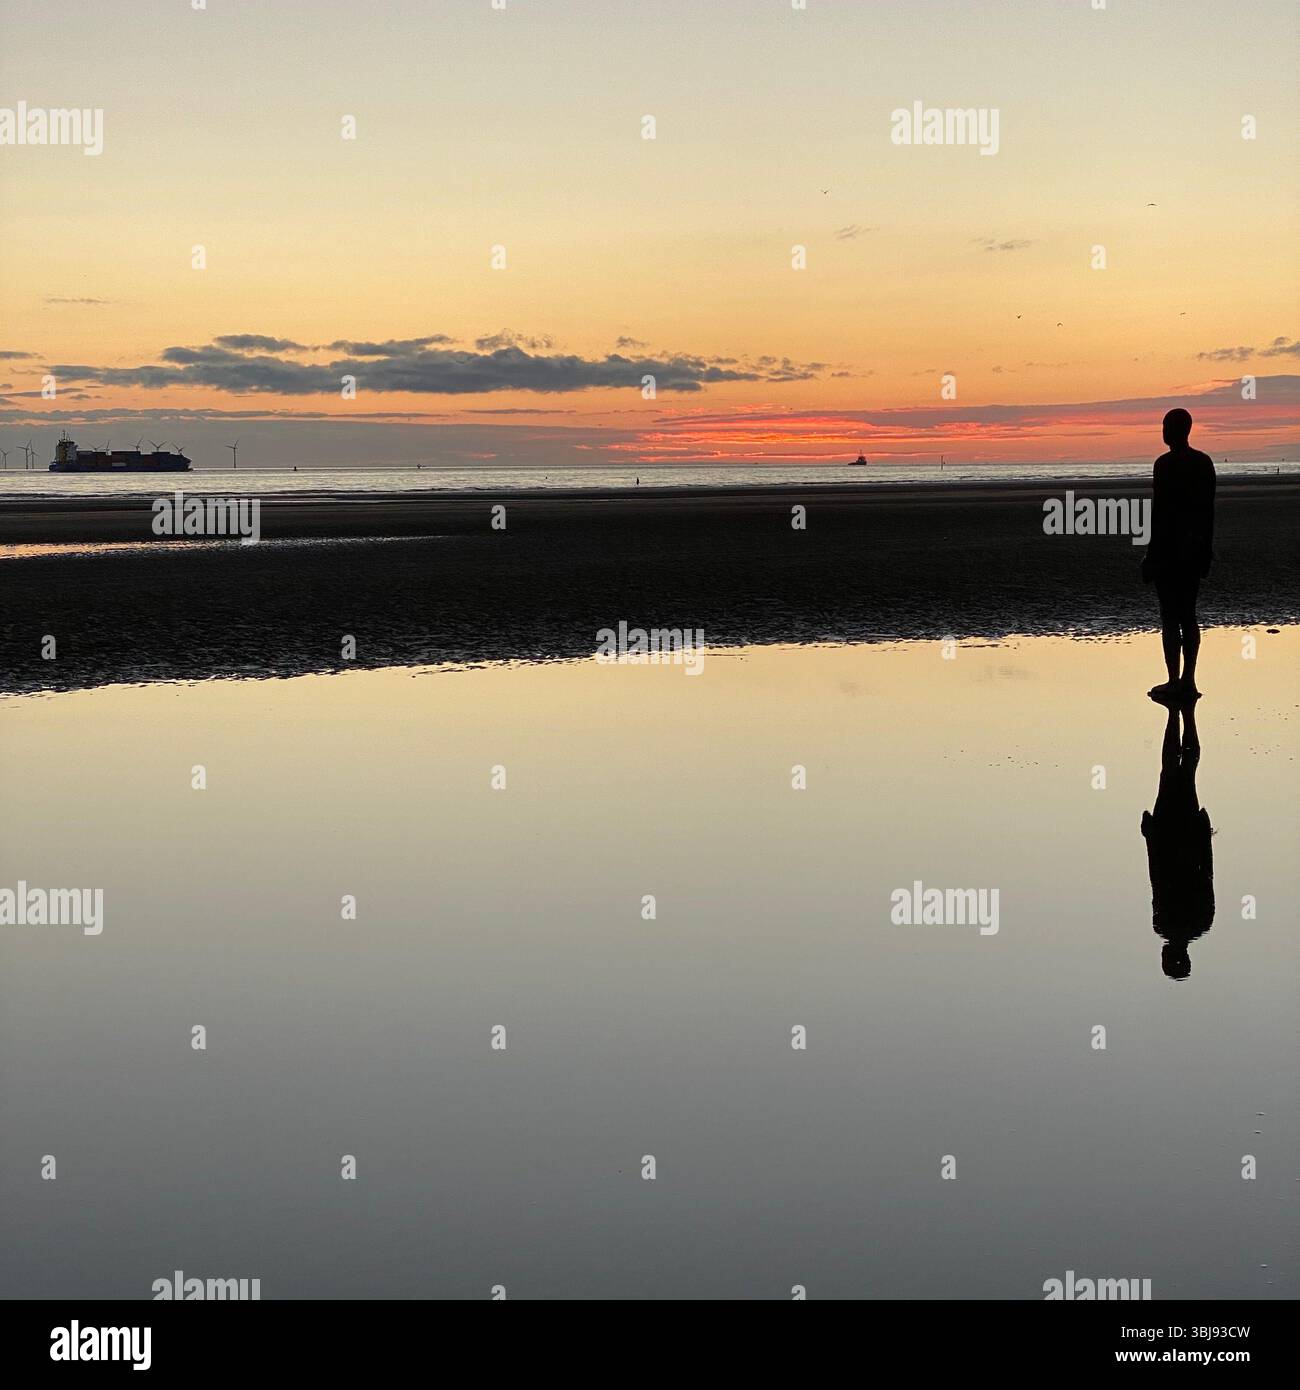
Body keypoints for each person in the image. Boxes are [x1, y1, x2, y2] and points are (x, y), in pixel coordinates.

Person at [1141, 408, 1216, 701]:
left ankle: (1176, 679)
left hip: (1171, 549)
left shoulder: (1165, 465)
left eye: (1165, 425)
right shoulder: (1203, 462)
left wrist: (1150, 554)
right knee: (1188, 615)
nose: (1162, 430)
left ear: (1176, 429)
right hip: (1194, 548)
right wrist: (1206, 549)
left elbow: (1159, 513)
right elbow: (1208, 512)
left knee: (1171, 616)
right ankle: (1188, 679)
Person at [1141, 700, 1214, 980]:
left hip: (1179, 835)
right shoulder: (1165, 924)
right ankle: (1179, 716)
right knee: (1174, 773)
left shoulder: (1200, 923)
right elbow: (1158, 878)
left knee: (1183, 774)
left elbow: (1204, 875)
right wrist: (1151, 836)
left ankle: (1182, 717)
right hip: (1172, 835)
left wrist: (1203, 835)